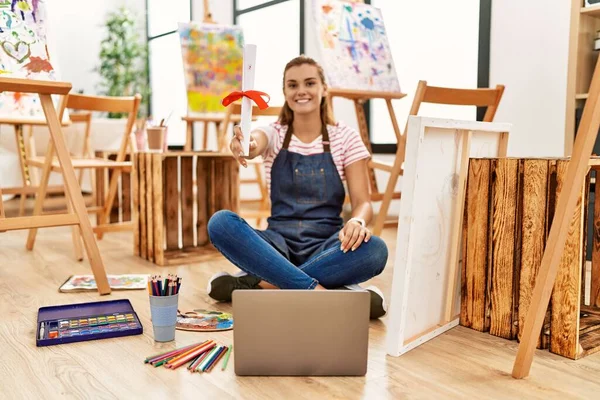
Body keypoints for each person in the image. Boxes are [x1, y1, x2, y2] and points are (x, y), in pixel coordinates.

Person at [206, 55, 389, 319]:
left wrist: (358, 222)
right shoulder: (275, 133)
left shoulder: (345, 137)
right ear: (285, 93)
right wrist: (245, 144)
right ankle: (329, 293)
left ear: (323, 89)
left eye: (310, 83)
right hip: (277, 243)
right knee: (220, 223)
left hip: (327, 243)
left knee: (376, 251)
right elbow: (255, 141)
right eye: (292, 85)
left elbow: (363, 203)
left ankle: (264, 282)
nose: (301, 91)